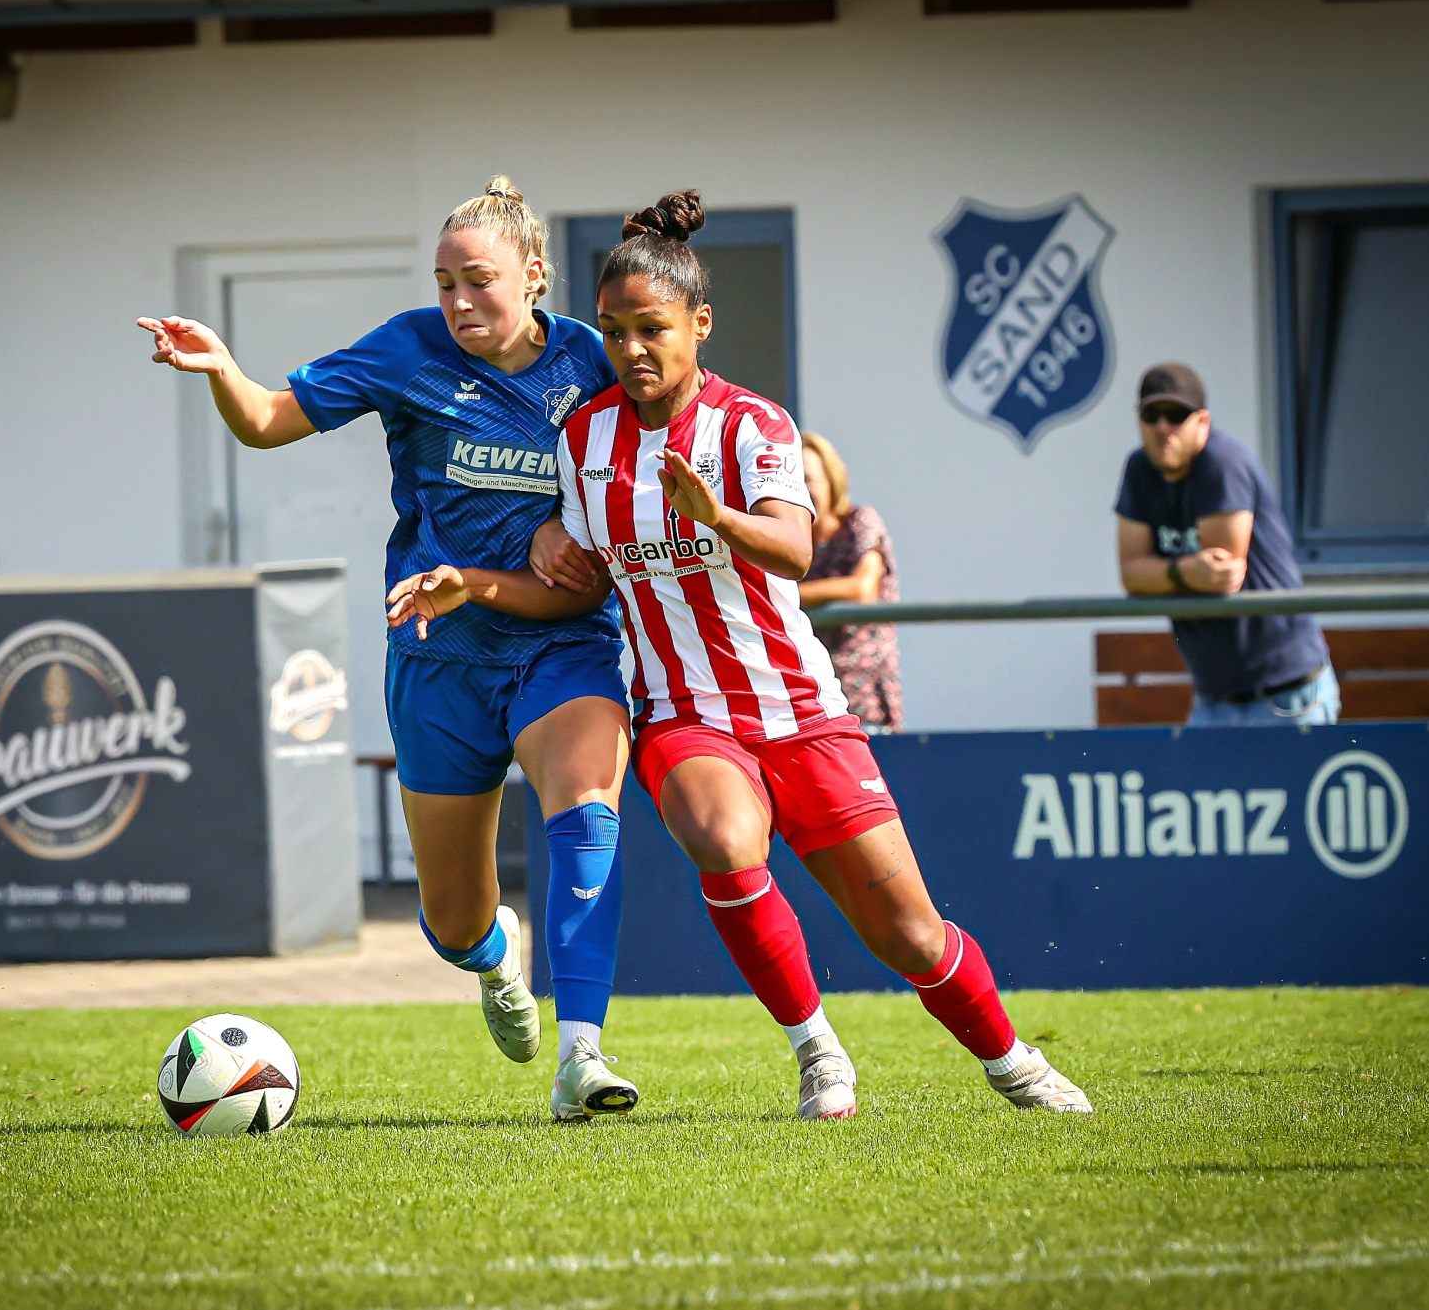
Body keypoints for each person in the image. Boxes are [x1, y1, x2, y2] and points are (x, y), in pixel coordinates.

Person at [388, 190, 1090, 1118]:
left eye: (652, 329)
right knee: (722, 839)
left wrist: (715, 515)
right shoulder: (584, 440)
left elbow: (795, 550)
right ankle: (818, 1053)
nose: (632, 350)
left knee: (911, 934)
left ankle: (1012, 1061)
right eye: (613, 333)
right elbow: (583, 588)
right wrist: (472, 583)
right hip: (684, 717)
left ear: (700, 324)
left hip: (802, 713)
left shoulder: (754, 425)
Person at [138, 178, 641, 1123]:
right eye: (445, 283)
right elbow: (266, 421)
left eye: (479, 281)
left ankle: (582, 1055)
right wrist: (220, 369)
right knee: (452, 921)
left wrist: (571, 526)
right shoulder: (409, 347)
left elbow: (645, 468)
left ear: (534, 275)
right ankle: (496, 956)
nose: (459, 302)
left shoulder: (592, 358)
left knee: (585, 807)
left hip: (560, 639)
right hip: (437, 657)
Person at [1115, 363, 1338, 726]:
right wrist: (1182, 571)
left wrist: (1161, 574)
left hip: (1287, 691)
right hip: (1213, 698)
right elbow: (1131, 575)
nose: (1163, 427)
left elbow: (1221, 578)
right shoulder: (1139, 469)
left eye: (1176, 415)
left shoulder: (1222, 461)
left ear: (1203, 421)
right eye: (1152, 415)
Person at [796, 431, 903, 733]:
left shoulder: (860, 521)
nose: (799, 490)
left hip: (865, 701)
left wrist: (791, 594)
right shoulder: (789, 544)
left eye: (807, 478)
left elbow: (862, 589)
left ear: (831, 480)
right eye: (790, 481)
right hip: (807, 703)